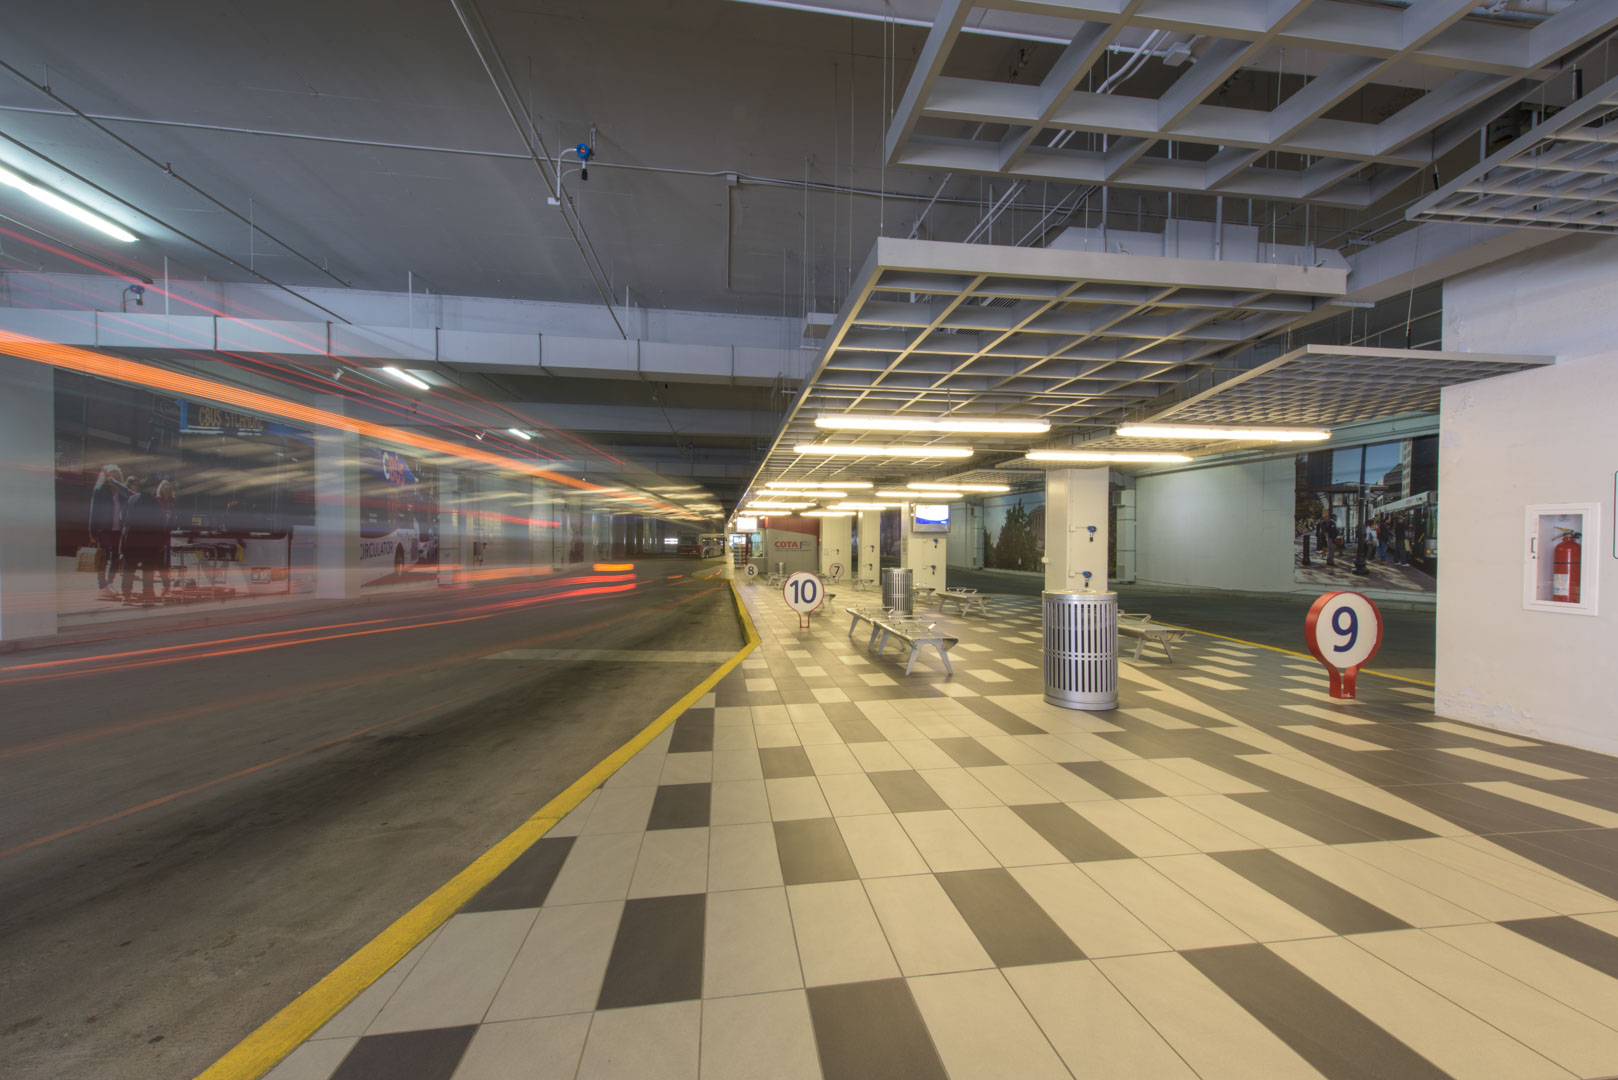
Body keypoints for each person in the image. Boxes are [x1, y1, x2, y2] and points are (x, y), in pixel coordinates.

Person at [119, 477, 170, 603]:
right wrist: (160, 541)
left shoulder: (130, 499)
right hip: (147, 540)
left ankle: (126, 596)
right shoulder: (153, 502)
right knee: (148, 569)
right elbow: (158, 523)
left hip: (130, 538)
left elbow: (122, 518)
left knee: (129, 568)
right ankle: (148, 595)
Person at [88, 464, 132, 599]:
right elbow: (93, 513)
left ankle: (110, 583)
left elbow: (129, 496)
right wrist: (93, 534)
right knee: (103, 557)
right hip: (104, 529)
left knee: (115, 558)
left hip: (118, 529)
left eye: (118, 476)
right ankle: (102, 585)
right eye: (112, 476)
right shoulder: (100, 491)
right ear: (107, 478)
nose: (115, 478)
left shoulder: (121, 492)